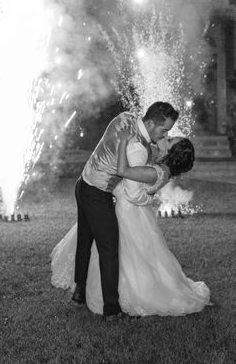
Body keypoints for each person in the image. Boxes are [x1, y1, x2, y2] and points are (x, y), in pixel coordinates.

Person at [51, 131, 211, 318]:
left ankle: (113, 294)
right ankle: (84, 286)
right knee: (101, 244)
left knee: (118, 251)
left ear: (171, 153)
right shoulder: (160, 166)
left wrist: (123, 147)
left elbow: (132, 189)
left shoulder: (157, 171)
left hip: (125, 209)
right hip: (125, 207)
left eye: (169, 140)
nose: (165, 137)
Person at [69, 102, 178, 321]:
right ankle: (112, 310)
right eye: (163, 129)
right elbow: (132, 191)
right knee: (109, 250)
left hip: (82, 184)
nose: (165, 134)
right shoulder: (136, 145)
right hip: (98, 193)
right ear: (149, 122)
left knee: (85, 240)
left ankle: (79, 291)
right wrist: (150, 196)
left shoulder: (125, 117)